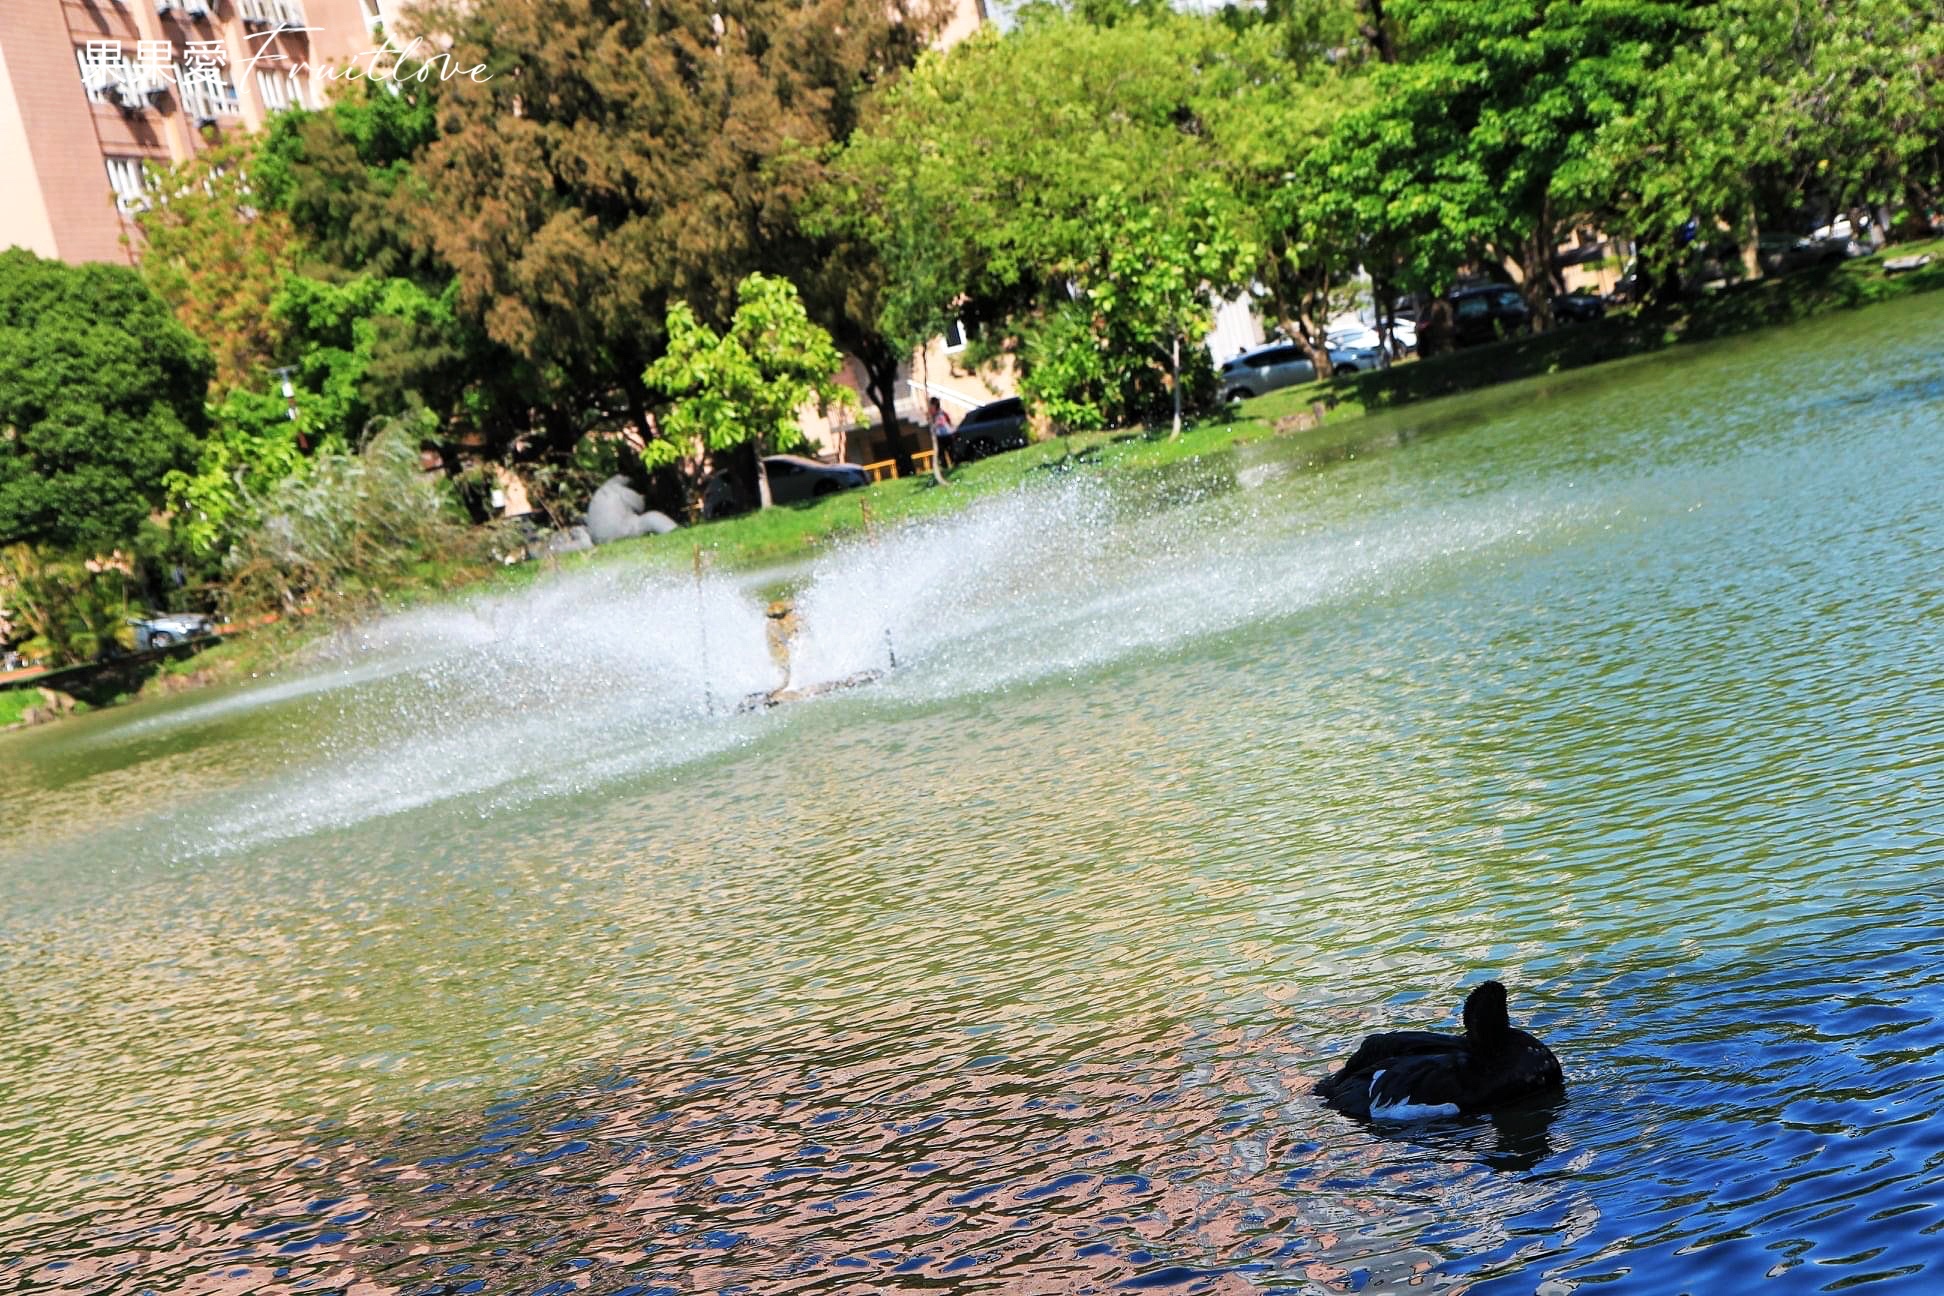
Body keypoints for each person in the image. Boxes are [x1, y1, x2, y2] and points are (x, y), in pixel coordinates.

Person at [928, 396, 956, 470]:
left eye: (931, 405)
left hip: (946, 434)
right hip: (939, 436)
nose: (930, 407)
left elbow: (945, 422)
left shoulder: (941, 413)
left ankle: (954, 464)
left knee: (951, 451)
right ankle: (945, 467)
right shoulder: (932, 415)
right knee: (941, 453)